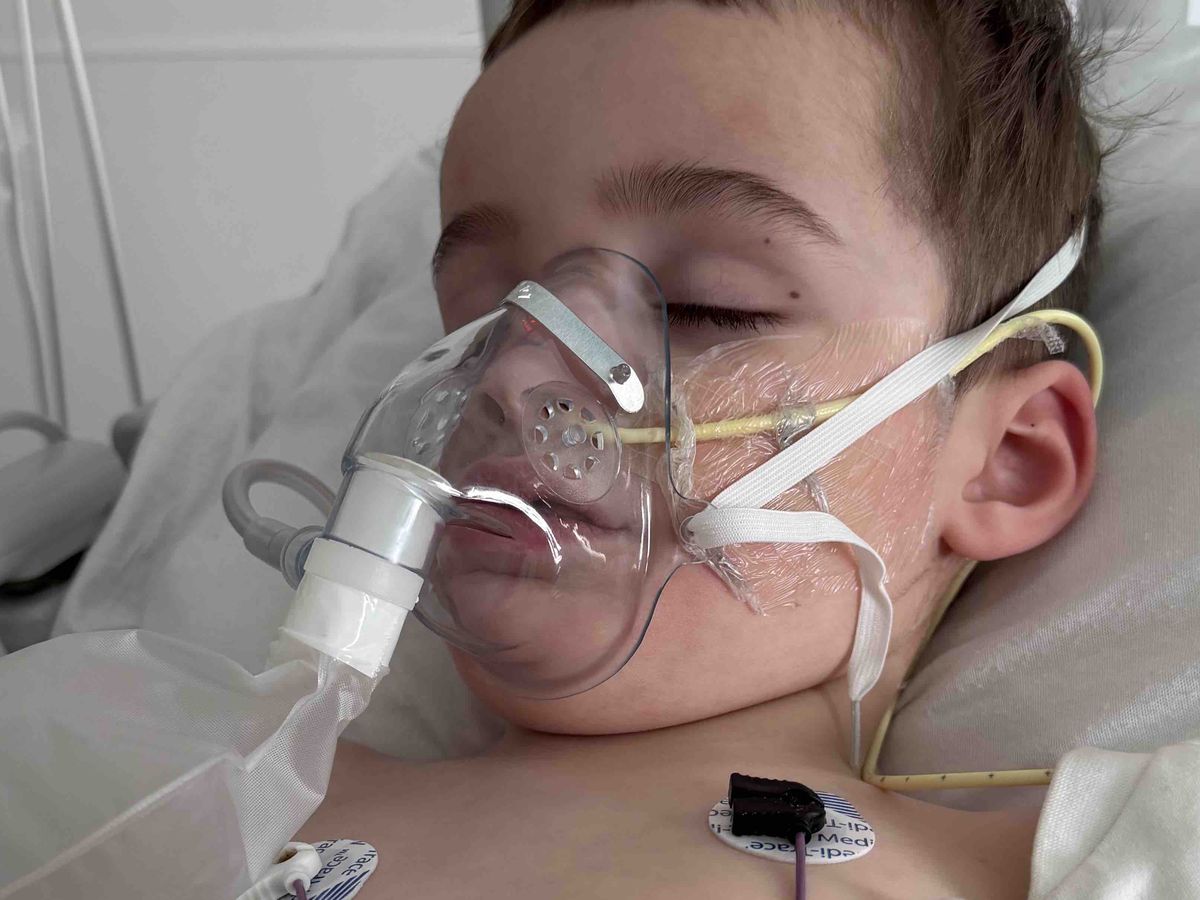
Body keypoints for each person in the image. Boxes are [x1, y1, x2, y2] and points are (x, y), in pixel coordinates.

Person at [300, 1, 1103, 895]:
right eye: (481, 314)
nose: (512, 376)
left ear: (1005, 462)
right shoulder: (262, 793)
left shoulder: (1042, 866)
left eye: (704, 306)